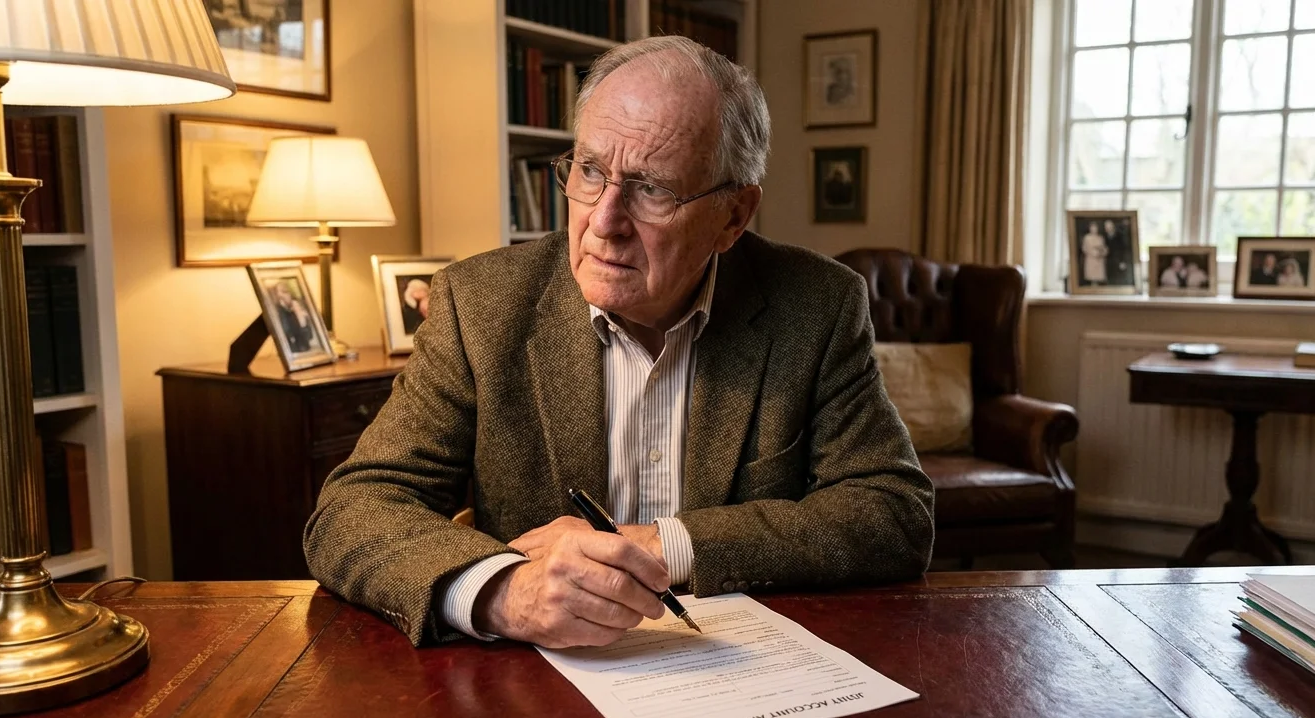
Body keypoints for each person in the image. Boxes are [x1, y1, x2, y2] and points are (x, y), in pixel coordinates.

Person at [304, 36, 934, 650]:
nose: (603, 222)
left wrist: (665, 545)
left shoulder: (817, 305)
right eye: (590, 171)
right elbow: (354, 507)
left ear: (733, 216)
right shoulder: (480, 304)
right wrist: (503, 593)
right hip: (536, 690)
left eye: (653, 188)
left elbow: (892, 512)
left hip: (746, 671)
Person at [270, 280, 316, 353]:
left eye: (285, 292)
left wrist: (302, 319)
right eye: (279, 292)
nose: (280, 295)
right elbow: (286, 333)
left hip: (303, 349)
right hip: (291, 350)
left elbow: (309, 337)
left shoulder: (297, 307)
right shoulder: (279, 311)